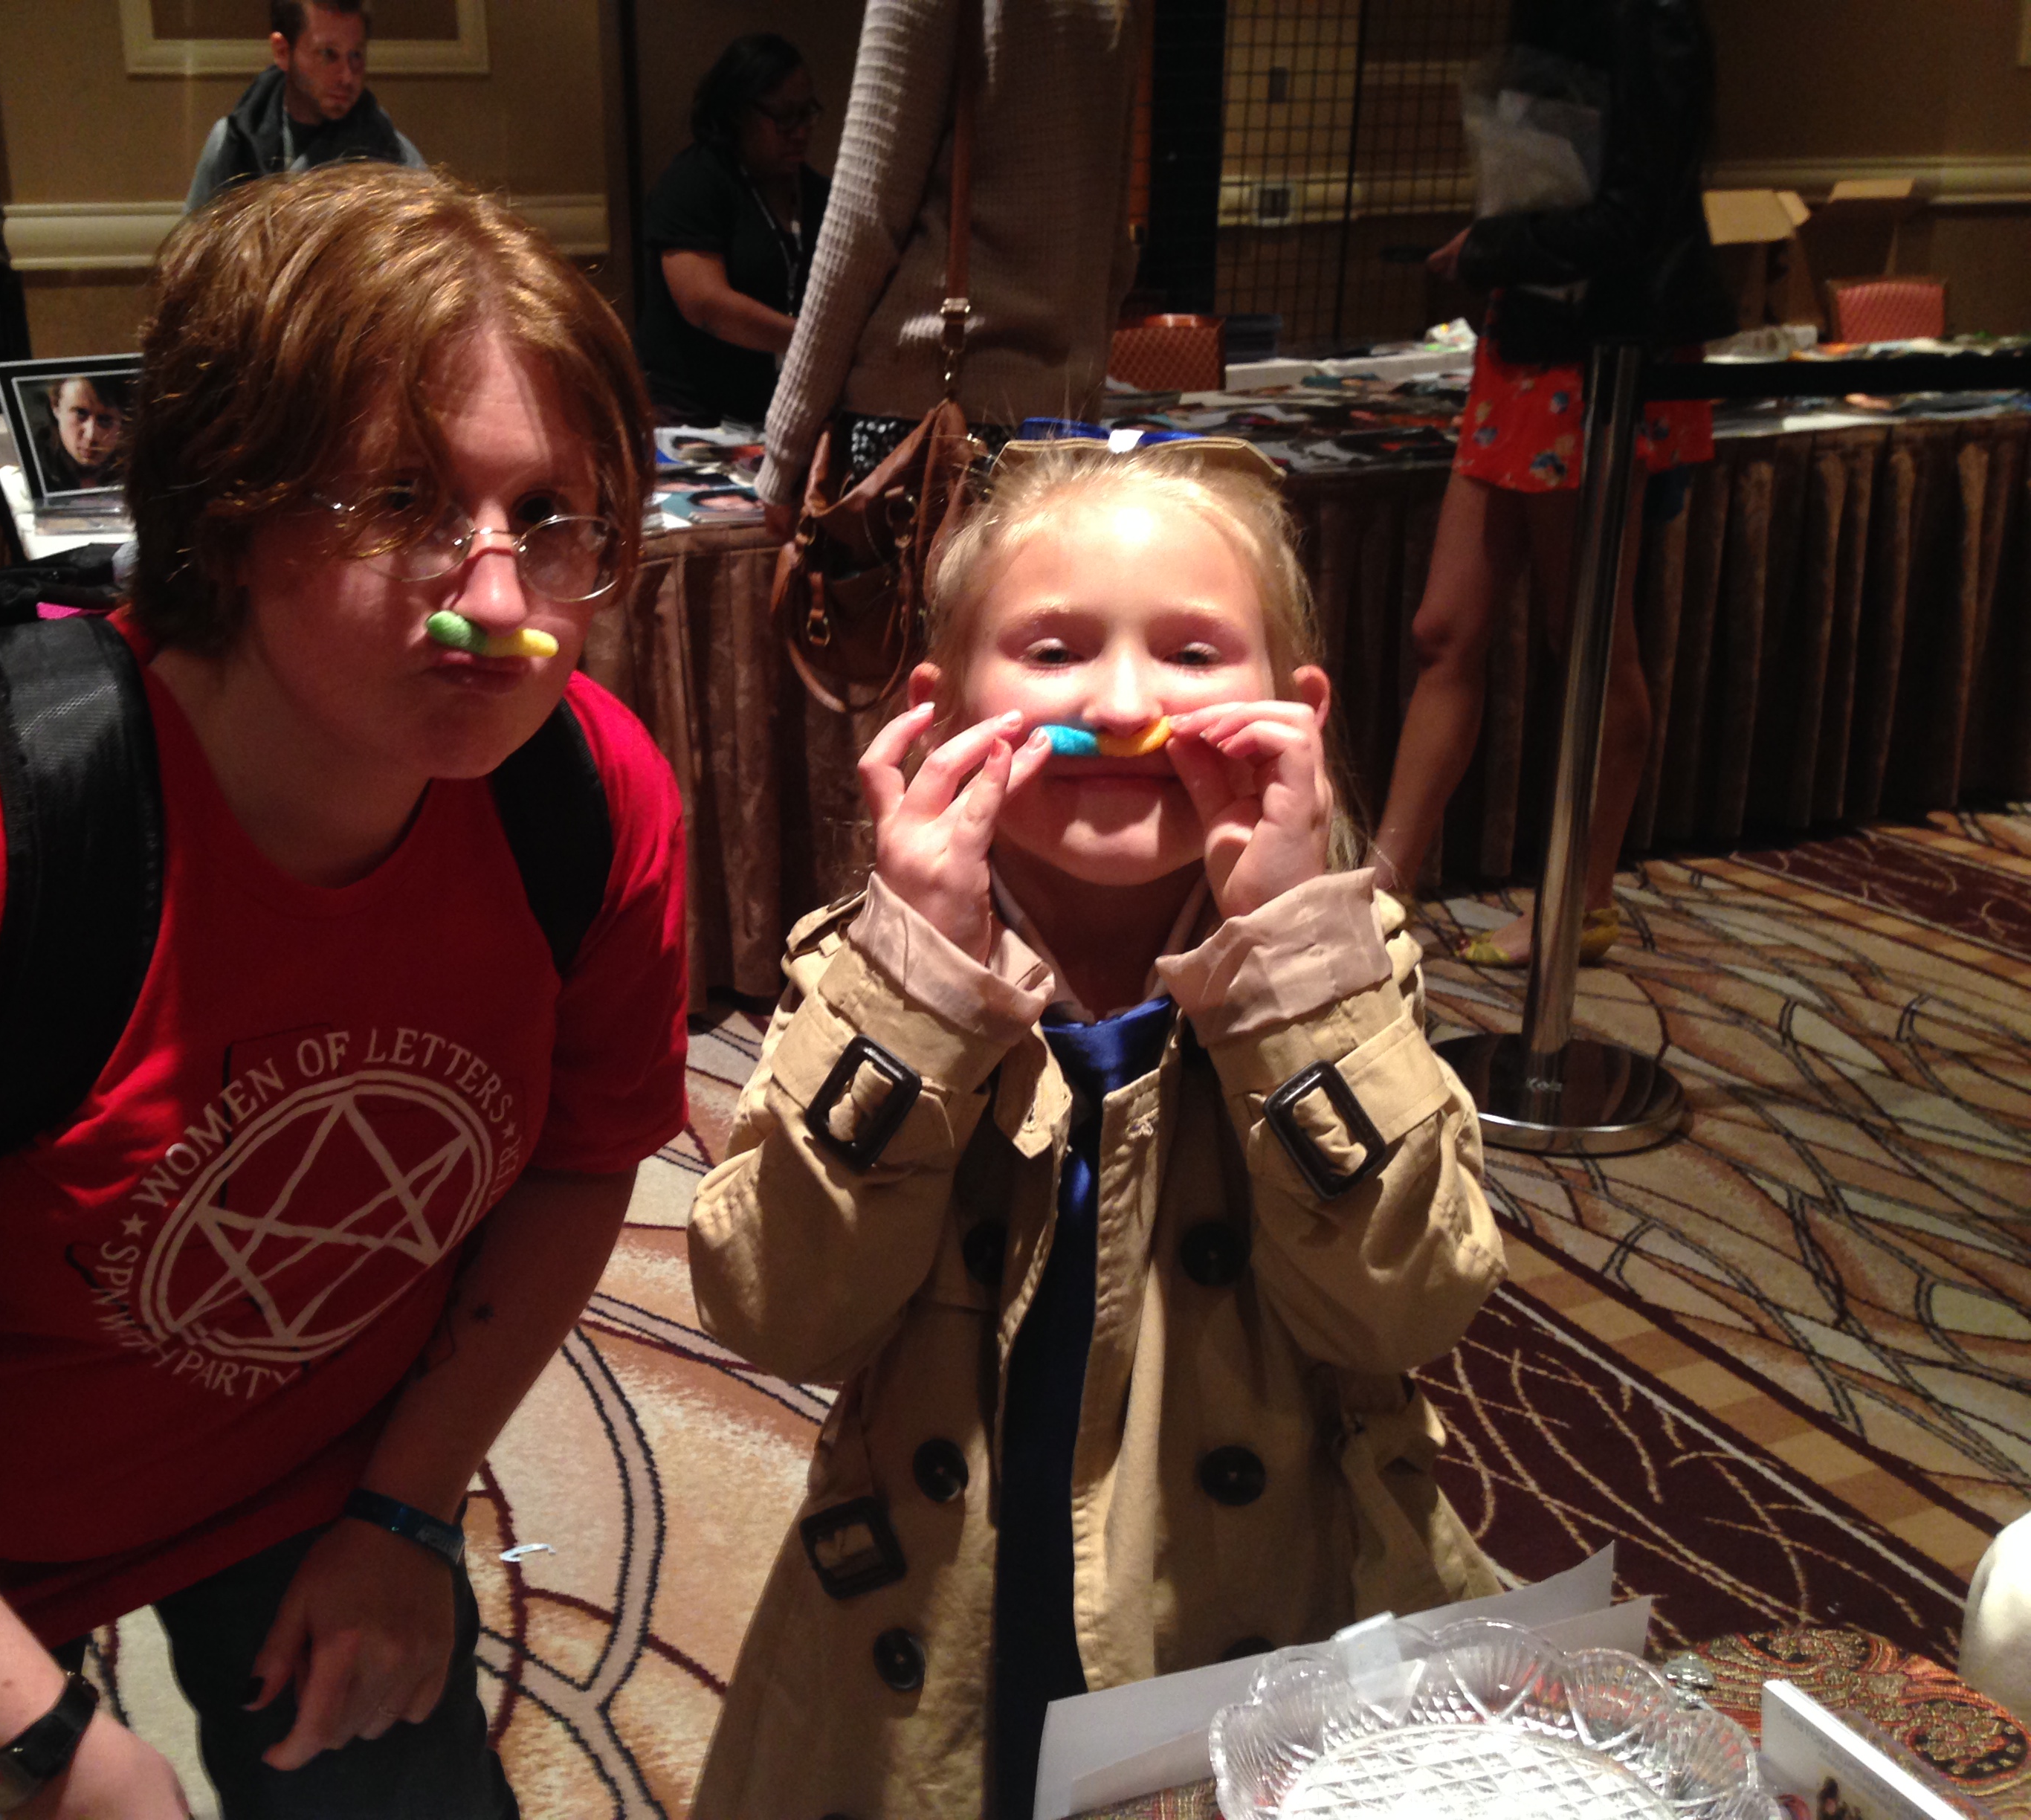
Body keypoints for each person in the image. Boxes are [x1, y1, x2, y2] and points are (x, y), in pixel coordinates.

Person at [0, 164, 688, 1819]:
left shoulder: (586, 802)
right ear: (226, 511)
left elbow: (581, 1160)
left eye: (551, 516)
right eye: (401, 503)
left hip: (324, 1472)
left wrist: (407, 1508)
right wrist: (49, 1753)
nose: (500, 607)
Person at [690, 442, 1502, 1820]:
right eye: (1055, 649)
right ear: (944, 711)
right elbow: (776, 1311)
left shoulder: (1343, 963)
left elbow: (1406, 1305)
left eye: (1191, 652)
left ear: (1294, 711)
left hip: (1246, 1597)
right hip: (943, 1590)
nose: (1124, 708)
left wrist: (1287, 970)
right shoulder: (867, 970)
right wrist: (916, 991)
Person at [1370, 0, 1732, 963]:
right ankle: (1380, 890)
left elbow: (1630, 217)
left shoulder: (1653, 19)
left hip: (1595, 354)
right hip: (1529, 340)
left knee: (1592, 645)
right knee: (1445, 629)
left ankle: (1582, 898)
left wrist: (1490, 249)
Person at [756, 0, 1149, 532]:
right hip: (1055, 427)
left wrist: (785, 453)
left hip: (921, 423)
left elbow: (862, 224)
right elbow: (1113, 246)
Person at [633, 34, 830, 428]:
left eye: (807, 113)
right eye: (784, 116)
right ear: (738, 112)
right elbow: (706, 305)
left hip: (777, 412)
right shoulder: (694, 181)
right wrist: (817, 342)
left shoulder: (818, 194)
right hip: (689, 417)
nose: (800, 131)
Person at [187, 0, 425, 213]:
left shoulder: (394, 153)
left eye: (356, 55)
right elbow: (193, 245)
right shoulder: (232, 143)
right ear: (282, 52)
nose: (347, 76)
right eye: (328, 54)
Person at [30, 372, 132, 496]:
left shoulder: (139, 471)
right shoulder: (29, 472)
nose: (91, 436)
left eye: (105, 420)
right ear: (56, 406)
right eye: (80, 413)